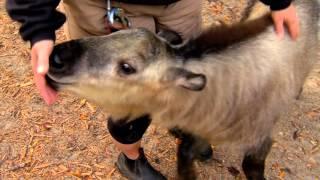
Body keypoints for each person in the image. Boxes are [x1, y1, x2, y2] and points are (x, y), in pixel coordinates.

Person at [6, 0, 299, 179]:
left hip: (176, 5)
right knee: (130, 102)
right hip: (104, 5)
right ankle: (130, 160)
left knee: (181, 75)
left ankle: (184, 127)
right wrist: (37, 23)